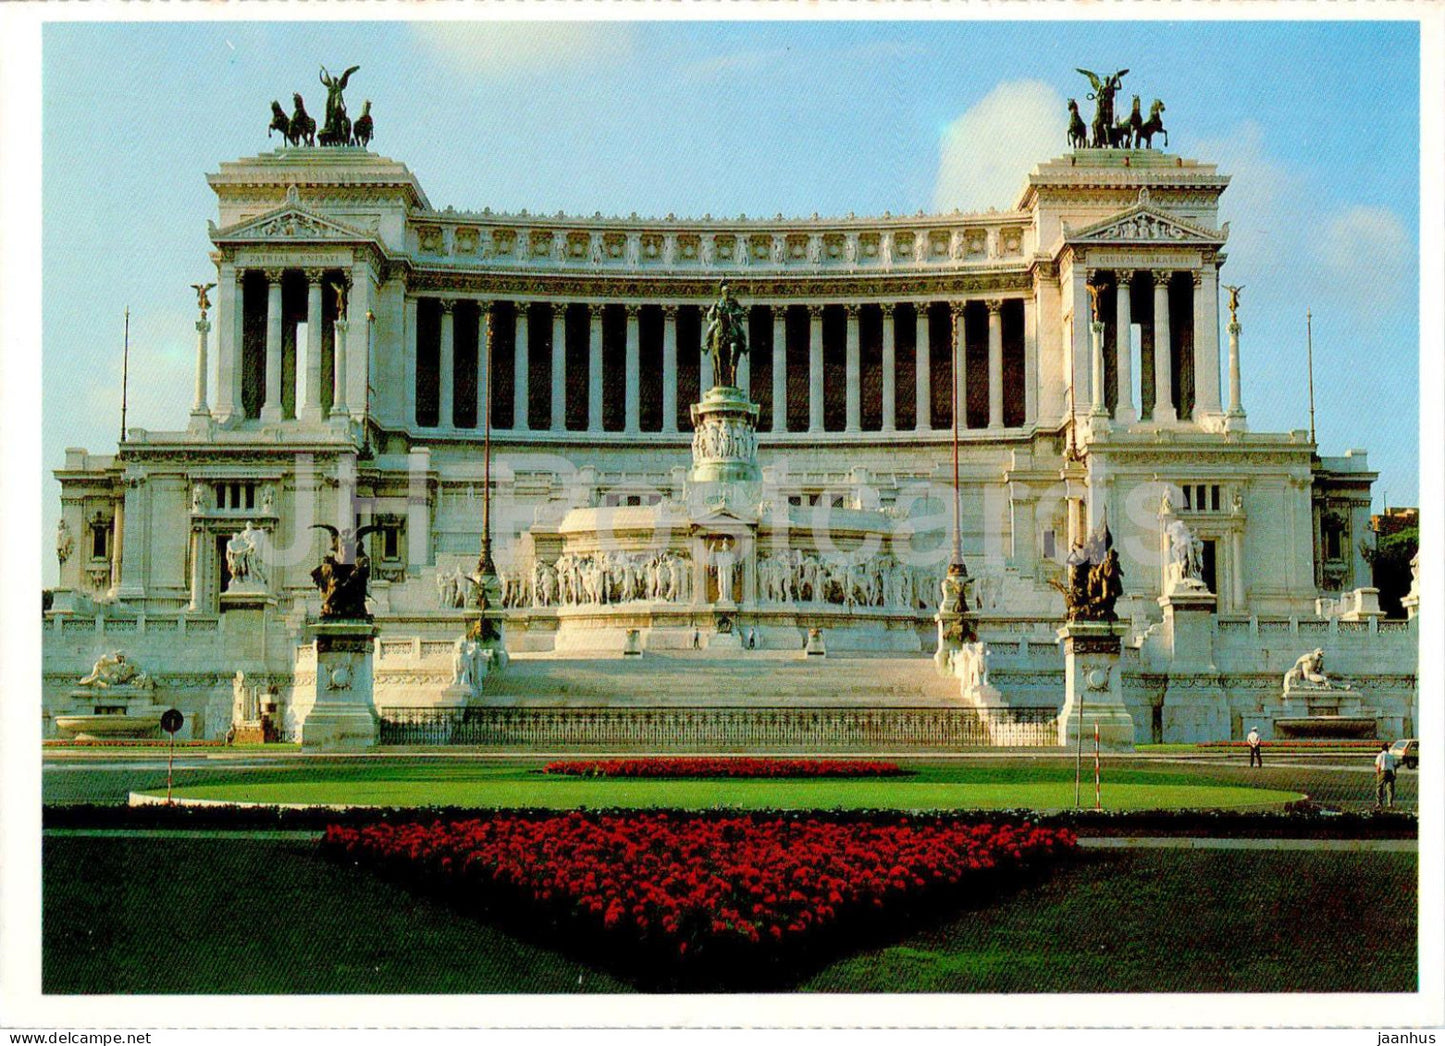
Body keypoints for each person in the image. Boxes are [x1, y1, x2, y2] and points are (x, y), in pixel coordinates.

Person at [1374, 742, 1397, 808]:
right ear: (1387, 749)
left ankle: (1379, 803)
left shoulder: (1380, 755)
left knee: (1379, 787)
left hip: (1383, 771)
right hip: (1390, 772)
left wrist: (1378, 774)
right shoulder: (1391, 756)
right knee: (1390, 788)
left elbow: (1378, 766)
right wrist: (1395, 774)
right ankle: (1390, 803)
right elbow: (1394, 766)